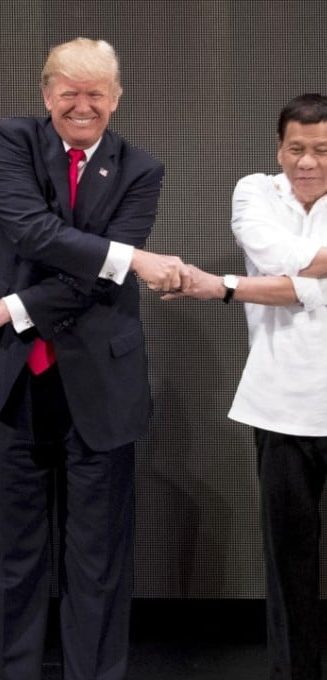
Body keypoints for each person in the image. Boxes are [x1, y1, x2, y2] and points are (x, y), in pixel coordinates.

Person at [0, 38, 189, 680]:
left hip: (99, 382)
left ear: (117, 97)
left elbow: (93, 282)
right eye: (69, 92)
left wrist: (12, 306)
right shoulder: (9, 142)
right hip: (10, 377)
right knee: (8, 553)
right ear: (46, 94)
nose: (83, 105)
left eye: (96, 92)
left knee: (99, 558)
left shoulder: (142, 170)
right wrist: (130, 258)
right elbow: (31, 230)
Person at [164, 93, 327, 680]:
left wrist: (228, 286)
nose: (307, 163)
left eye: (323, 151)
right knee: (289, 566)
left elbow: (298, 277)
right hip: (279, 405)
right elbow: (277, 256)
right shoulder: (253, 191)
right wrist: (303, 274)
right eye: (297, 149)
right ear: (280, 149)